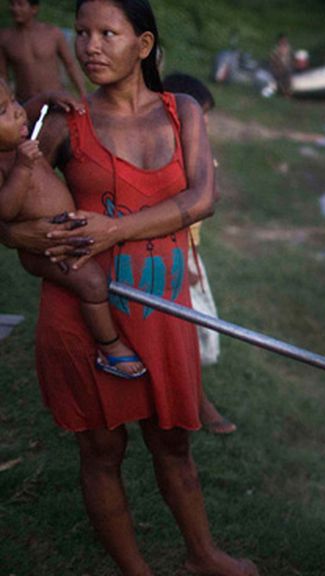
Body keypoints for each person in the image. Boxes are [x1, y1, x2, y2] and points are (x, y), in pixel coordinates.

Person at [2, 1, 257, 574]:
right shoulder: (65, 123)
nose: (90, 45)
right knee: (101, 450)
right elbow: (11, 222)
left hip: (163, 305)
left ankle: (202, 555)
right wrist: (50, 238)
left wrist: (109, 229)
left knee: (173, 443)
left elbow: (200, 200)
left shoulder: (181, 109)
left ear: (142, 46)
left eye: (107, 34)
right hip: (84, 312)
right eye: (82, 33)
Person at [0, 80, 147, 379]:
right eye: (4, 110)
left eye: (13, 101)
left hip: (64, 230)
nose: (17, 113)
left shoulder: (17, 139)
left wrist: (45, 95)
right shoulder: (8, 160)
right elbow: (5, 210)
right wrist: (23, 170)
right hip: (42, 247)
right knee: (92, 282)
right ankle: (111, 346)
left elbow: (26, 112)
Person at [162, 72, 236, 435]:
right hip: (176, 252)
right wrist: (185, 262)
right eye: (200, 112)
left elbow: (211, 196)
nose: (204, 121)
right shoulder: (171, 149)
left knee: (195, 332)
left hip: (188, 251)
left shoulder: (192, 145)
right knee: (190, 333)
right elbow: (203, 200)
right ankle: (198, 405)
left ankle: (192, 400)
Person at [0, 0, 88, 102]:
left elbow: (70, 65)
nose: (15, 9)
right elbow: (3, 75)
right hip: (26, 101)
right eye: (12, 4)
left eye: (20, 4)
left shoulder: (52, 33)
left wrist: (83, 95)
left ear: (34, 9)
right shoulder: (5, 38)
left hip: (56, 99)